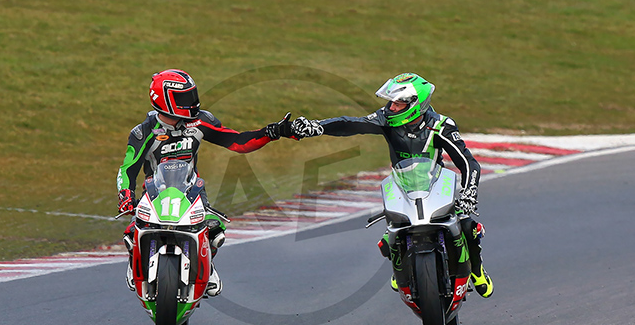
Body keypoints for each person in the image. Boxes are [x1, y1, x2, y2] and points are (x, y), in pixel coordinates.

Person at [290, 72, 493, 297]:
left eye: (398, 103)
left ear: (415, 105)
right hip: (402, 185)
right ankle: (402, 269)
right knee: (387, 242)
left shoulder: (441, 125)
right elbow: (350, 124)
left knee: (467, 224)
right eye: (391, 102)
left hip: (435, 183)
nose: (391, 108)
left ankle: (476, 270)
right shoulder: (385, 119)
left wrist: (469, 193)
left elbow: (469, 163)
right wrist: (317, 127)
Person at [117, 69, 294, 296]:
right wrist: (126, 196)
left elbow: (238, 142)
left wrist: (271, 132)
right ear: (164, 99)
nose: (192, 103)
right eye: (184, 98)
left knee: (214, 229)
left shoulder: (201, 122)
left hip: (191, 190)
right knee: (132, 231)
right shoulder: (143, 132)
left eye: (192, 95)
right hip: (154, 192)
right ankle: (135, 261)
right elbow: (127, 169)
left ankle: (207, 266)